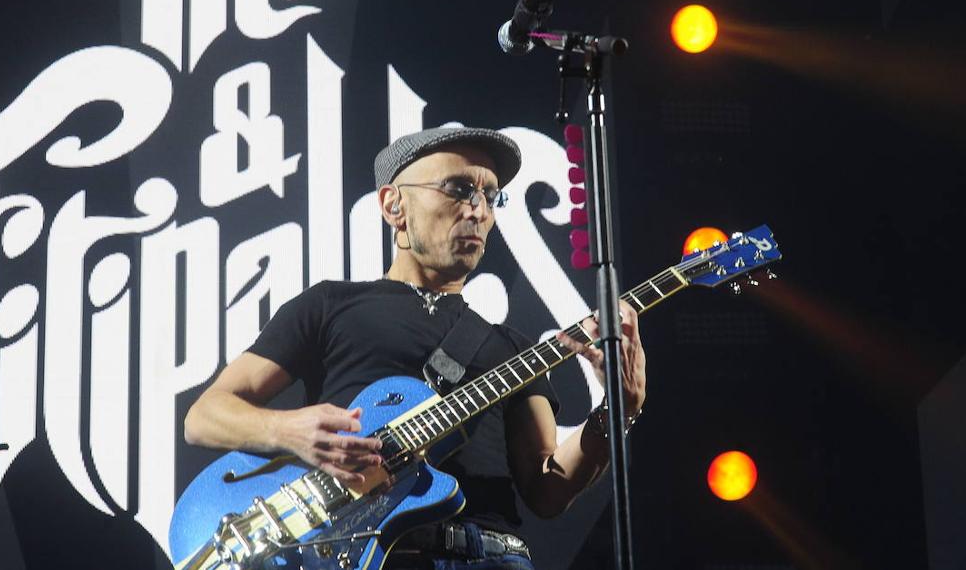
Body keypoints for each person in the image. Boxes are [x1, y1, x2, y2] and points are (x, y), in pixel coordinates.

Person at [184, 127, 646, 569]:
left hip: (490, 555)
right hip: (361, 553)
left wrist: (615, 413)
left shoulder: (511, 348)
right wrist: (291, 432)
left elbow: (548, 489)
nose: (480, 210)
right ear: (394, 205)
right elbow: (204, 417)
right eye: (459, 188)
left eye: (490, 196)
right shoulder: (329, 305)